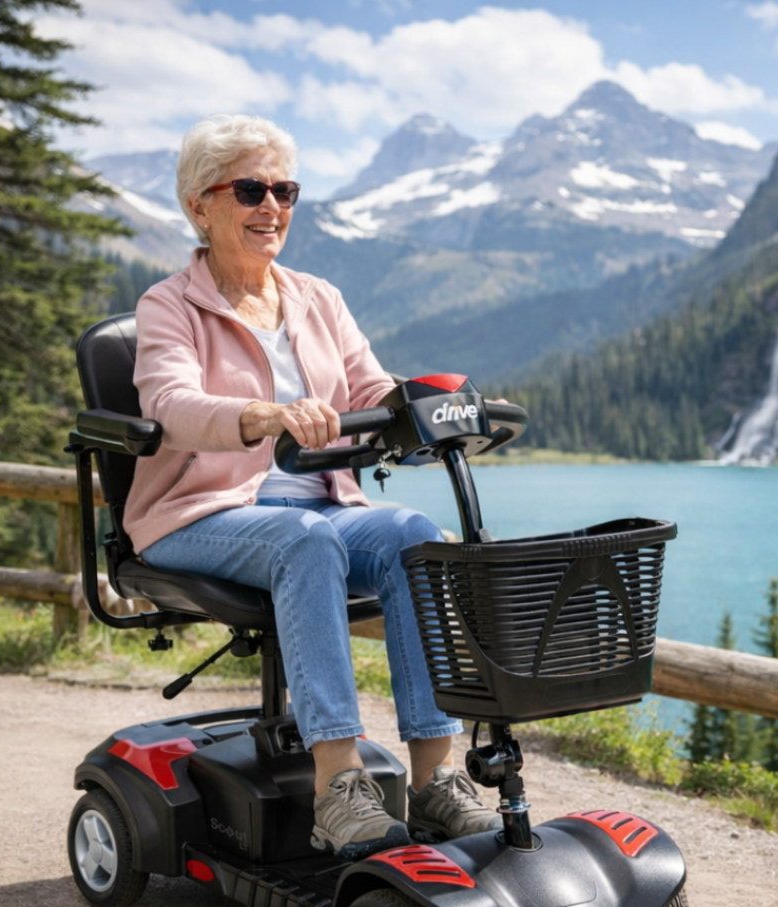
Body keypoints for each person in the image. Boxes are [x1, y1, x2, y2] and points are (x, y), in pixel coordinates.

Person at [122, 114, 499, 859]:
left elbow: (370, 389)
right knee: (305, 541)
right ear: (200, 204)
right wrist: (263, 416)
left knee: (414, 538)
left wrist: (424, 406)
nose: (272, 208)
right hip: (201, 513)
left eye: (285, 190)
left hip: (322, 507)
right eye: (252, 190)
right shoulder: (168, 306)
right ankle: (338, 787)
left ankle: (434, 781)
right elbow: (169, 404)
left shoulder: (318, 298)